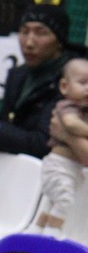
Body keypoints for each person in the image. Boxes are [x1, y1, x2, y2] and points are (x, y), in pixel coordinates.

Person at [0, 4, 75, 158]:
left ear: (59, 41)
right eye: (24, 32)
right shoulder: (18, 76)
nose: (29, 43)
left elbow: (43, 144)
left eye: (41, 33)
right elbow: (8, 123)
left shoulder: (73, 81)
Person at [34, 56, 88, 236]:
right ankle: (51, 234)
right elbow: (72, 125)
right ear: (64, 86)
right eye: (83, 83)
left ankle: (38, 230)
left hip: (74, 168)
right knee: (63, 200)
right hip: (59, 165)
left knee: (51, 202)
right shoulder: (68, 106)